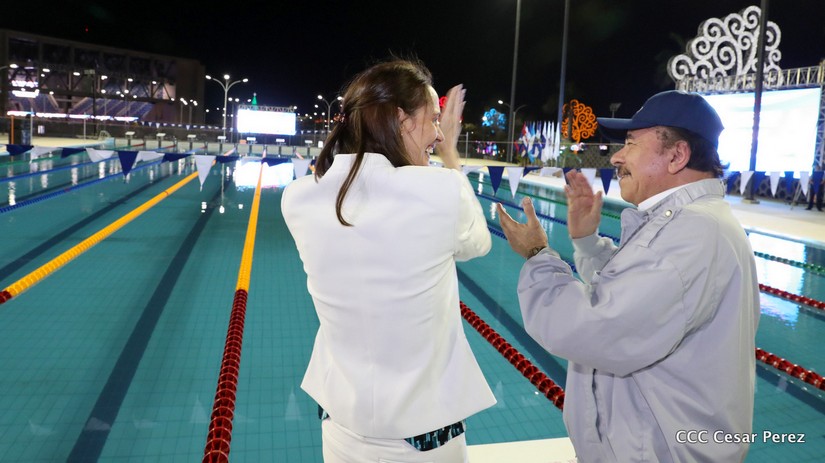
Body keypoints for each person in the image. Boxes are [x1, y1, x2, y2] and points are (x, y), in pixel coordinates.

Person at [497, 90, 760, 462]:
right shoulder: (693, 222)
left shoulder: (691, 234)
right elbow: (637, 295)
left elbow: (591, 328)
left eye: (632, 143)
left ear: (677, 156)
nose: (617, 157)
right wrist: (587, 241)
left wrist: (537, 254)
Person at [281, 58, 496, 463]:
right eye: (434, 120)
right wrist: (450, 155)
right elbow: (478, 244)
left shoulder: (297, 198)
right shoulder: (440, 191)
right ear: (401, 119)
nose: (438, 133)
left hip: (340, 427)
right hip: (426, 438)